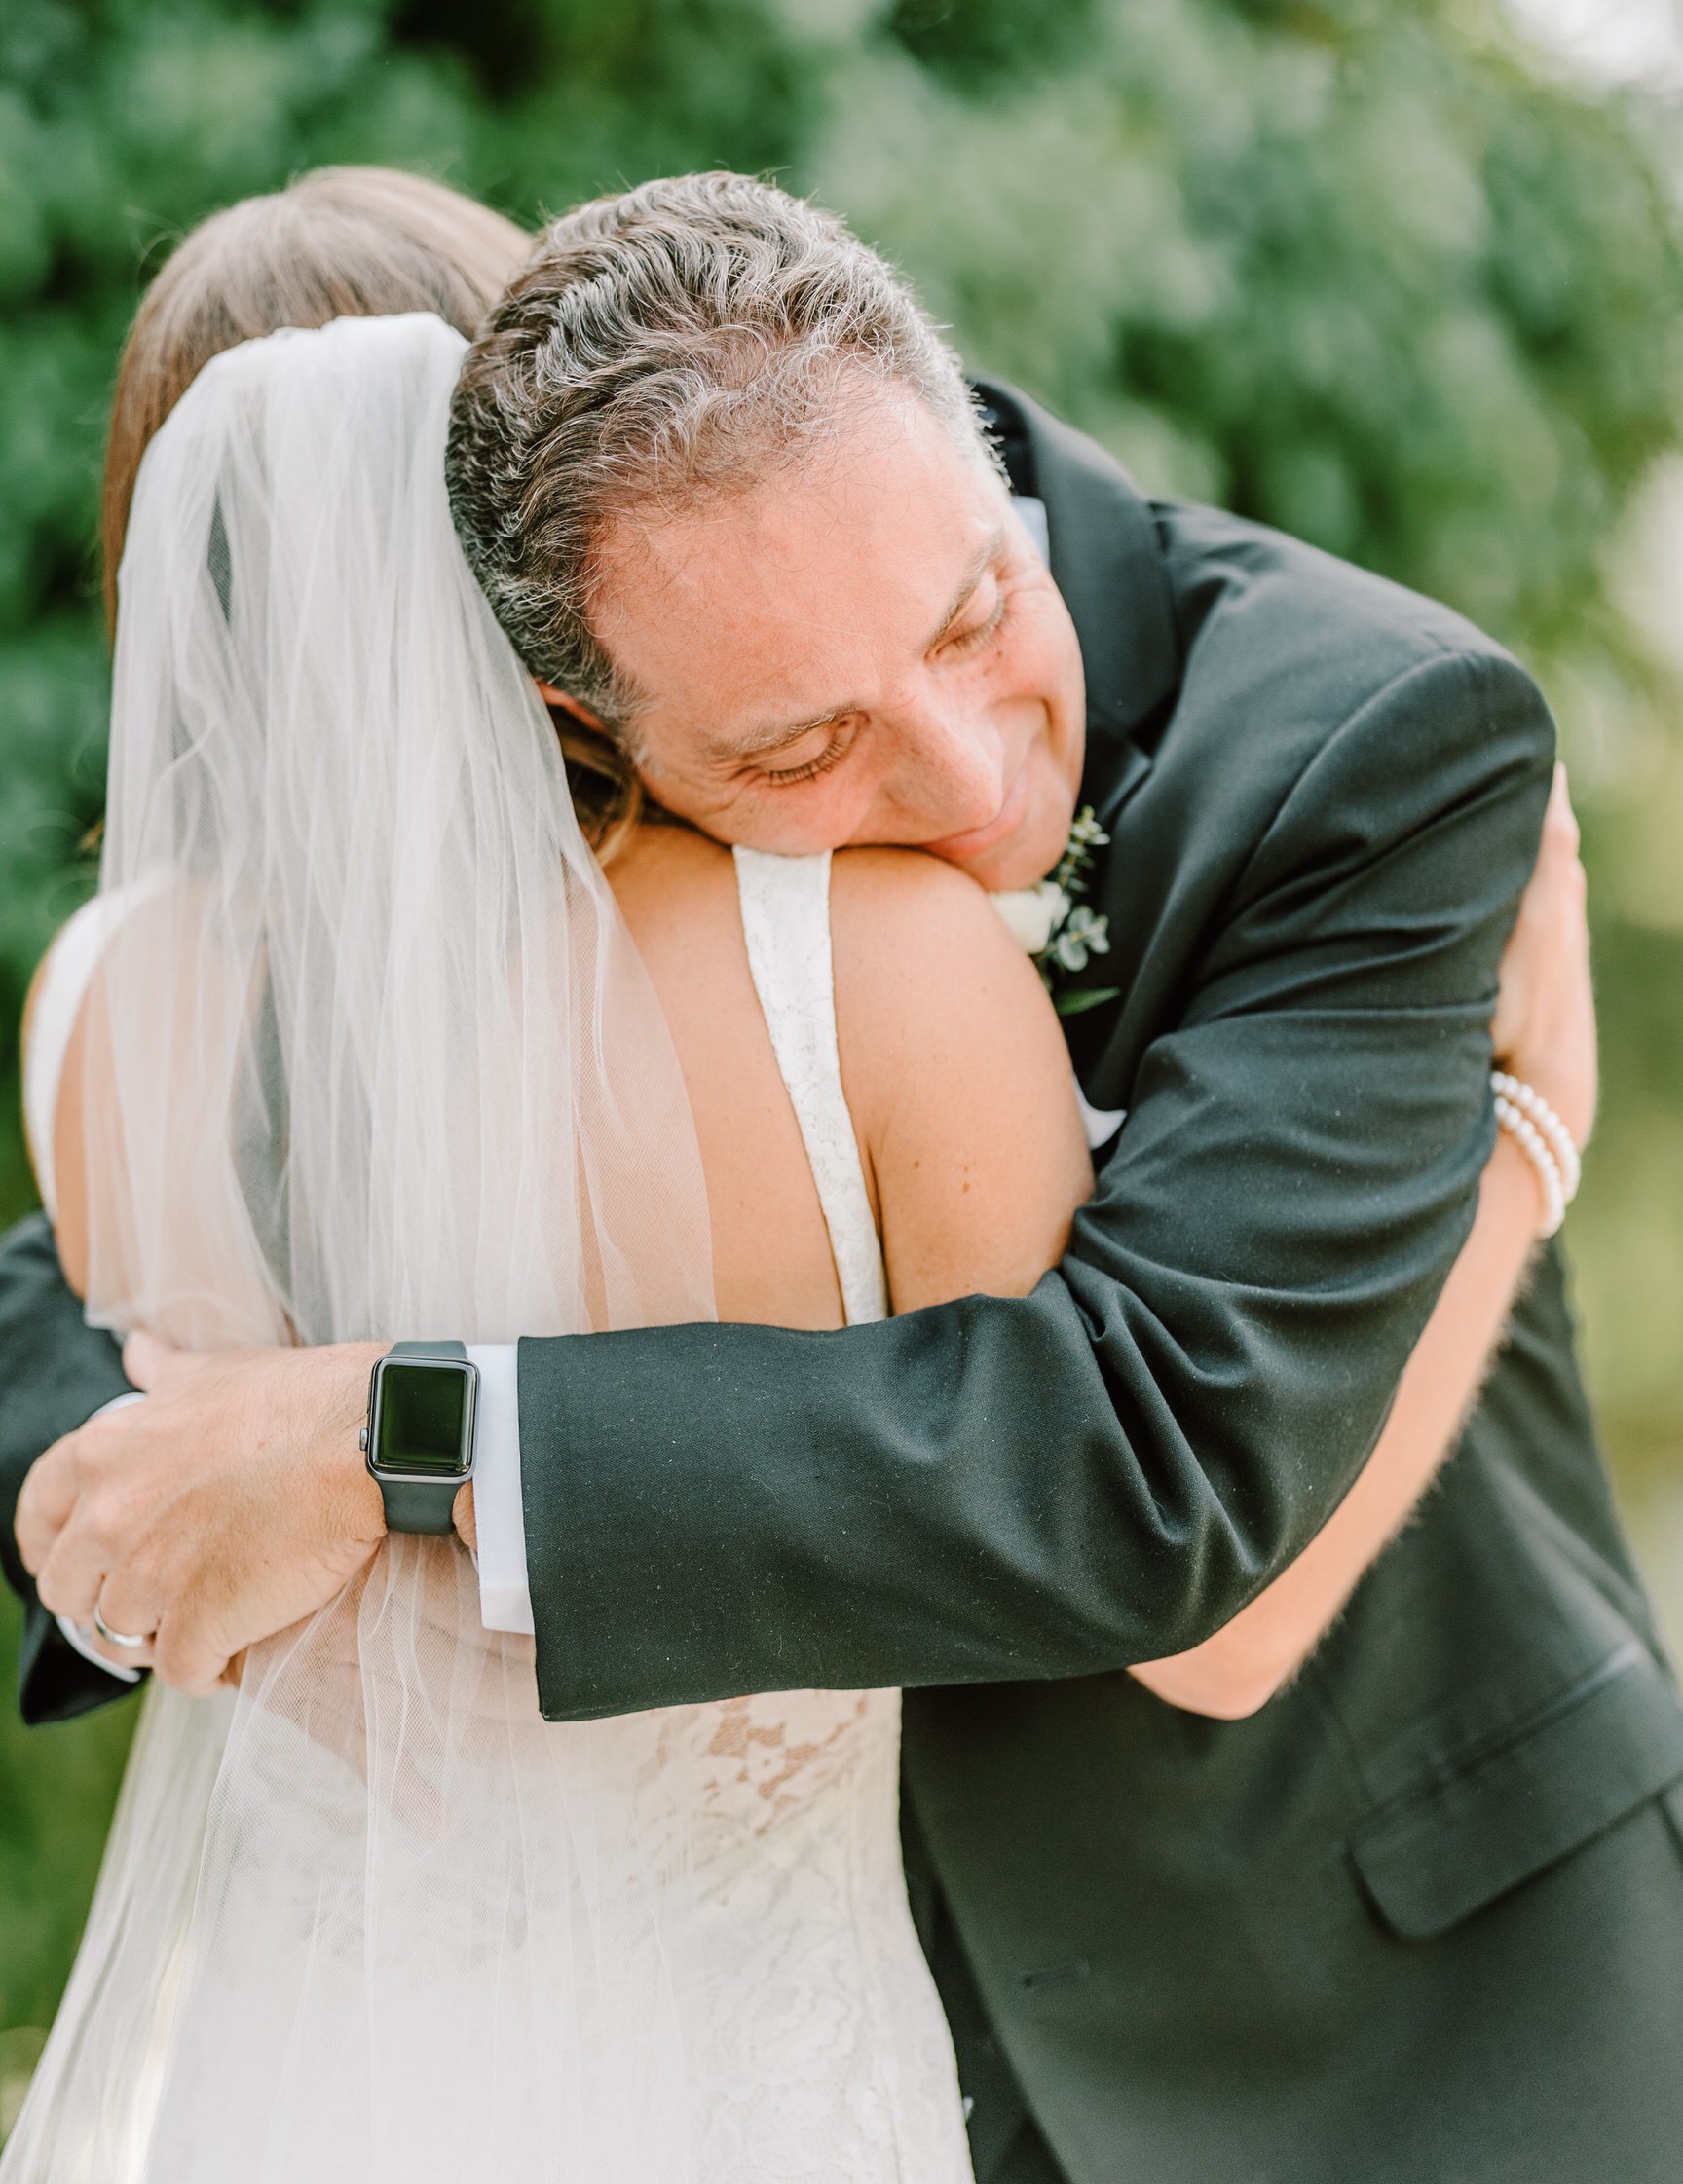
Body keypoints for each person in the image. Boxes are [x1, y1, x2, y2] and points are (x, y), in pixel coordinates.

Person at [0, 173, 1656, 2180]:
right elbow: (78, 1290)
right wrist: (142, 1472)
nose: (974, 794)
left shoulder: (1370, 739)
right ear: (559, 689)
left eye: (975, 616)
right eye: (801, 748)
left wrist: (374, 1448)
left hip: (1350, 2001)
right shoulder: (374, 930)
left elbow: (1177, 1510)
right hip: (829, 2038)